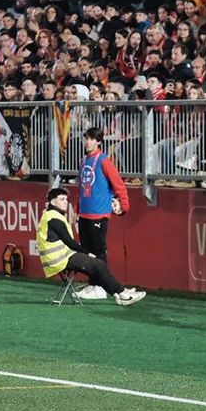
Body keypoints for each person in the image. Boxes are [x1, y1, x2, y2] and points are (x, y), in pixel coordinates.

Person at [36, 188, 145, 306]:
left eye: (66, 200)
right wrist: (86, 252)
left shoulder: (49, 215)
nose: (65, 202)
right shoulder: (54, 218)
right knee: (99, 264)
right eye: (62, 199)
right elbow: (69, 242)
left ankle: (118, 294)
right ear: (52, 201)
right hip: (60, 259)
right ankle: (122, 293)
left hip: (59, 258)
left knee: (97, 266)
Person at [75, 126, 130, 300]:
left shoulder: (104, 161)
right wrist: (78, 209)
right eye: (86, 138)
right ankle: (94, 285)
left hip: (98, 214)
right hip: (85, 213)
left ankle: (99, 287)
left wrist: (124, 205)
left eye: (91, 139)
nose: (88, 142)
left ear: (99, 142)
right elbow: (82, 188)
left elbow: (118, 184)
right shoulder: (83, 161)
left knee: (98, 252)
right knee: (88, 252)